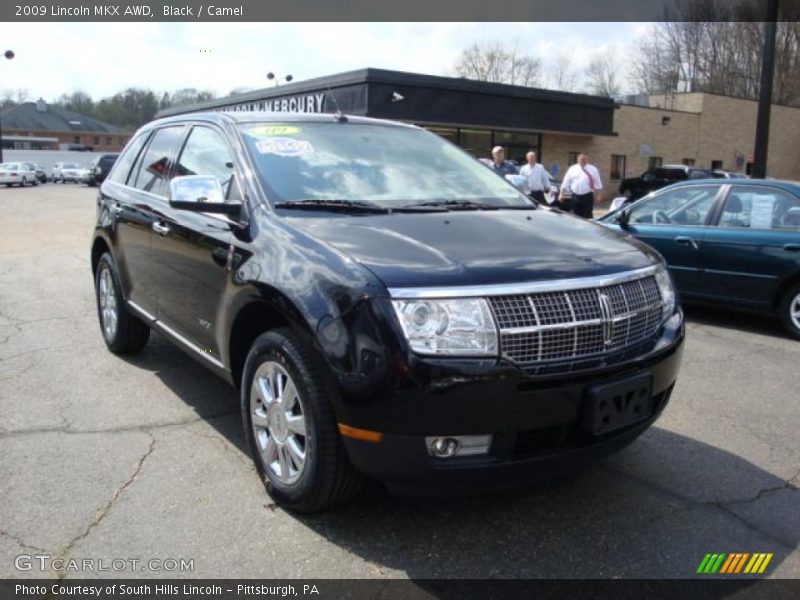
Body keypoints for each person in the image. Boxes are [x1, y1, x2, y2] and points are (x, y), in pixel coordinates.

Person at [559, 153, 603, 218]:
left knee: (587, 215)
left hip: (587, 196)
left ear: (587, 160)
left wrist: (598, 195)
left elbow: (598, 183)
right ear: (578, 160)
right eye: (581, 159)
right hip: (575, 196)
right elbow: (565, 182)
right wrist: (561, 194)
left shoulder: (593, 169)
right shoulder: (572, 169)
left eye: (585, 159)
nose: (583, 161)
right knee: (575, 215)